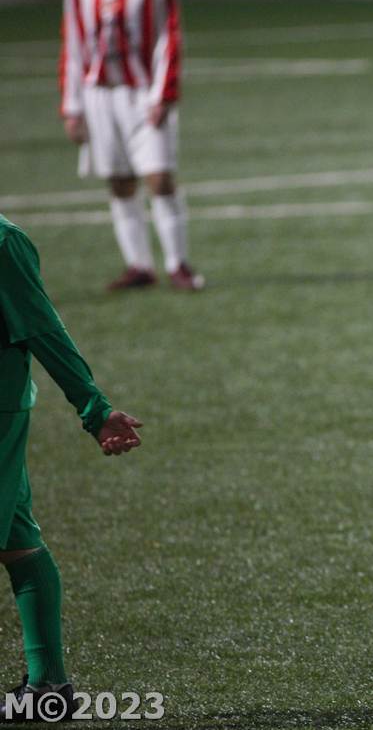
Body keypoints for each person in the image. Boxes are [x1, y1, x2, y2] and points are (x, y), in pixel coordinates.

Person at [0, 214, 143, 721]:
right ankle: (49, 687)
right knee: (17, 542)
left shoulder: (3, 242)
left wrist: (94, 409)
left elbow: (43, 329)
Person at [59, 0, 203, 292]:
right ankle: (139, 266)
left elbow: (169, 35)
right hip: (98, 97)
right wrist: (72, 106)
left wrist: (164, 93)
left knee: (159, 178)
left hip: (143, 94)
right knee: (119, 181)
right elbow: (72, 44)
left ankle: (177, 264)